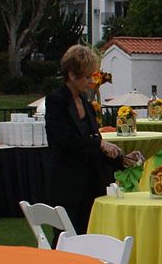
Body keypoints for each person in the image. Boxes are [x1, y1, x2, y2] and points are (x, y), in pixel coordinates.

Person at [44, 45, 142, 233]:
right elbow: (65, 140)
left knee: (91, 236)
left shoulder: (87, 105)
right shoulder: (56, 101)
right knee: (65, 238)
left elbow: (93, 147)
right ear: (72, 75)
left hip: (91, 185)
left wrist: (122, 159)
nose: (91, 81)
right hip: (65, 184)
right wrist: (100, 143)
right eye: (87, 76)